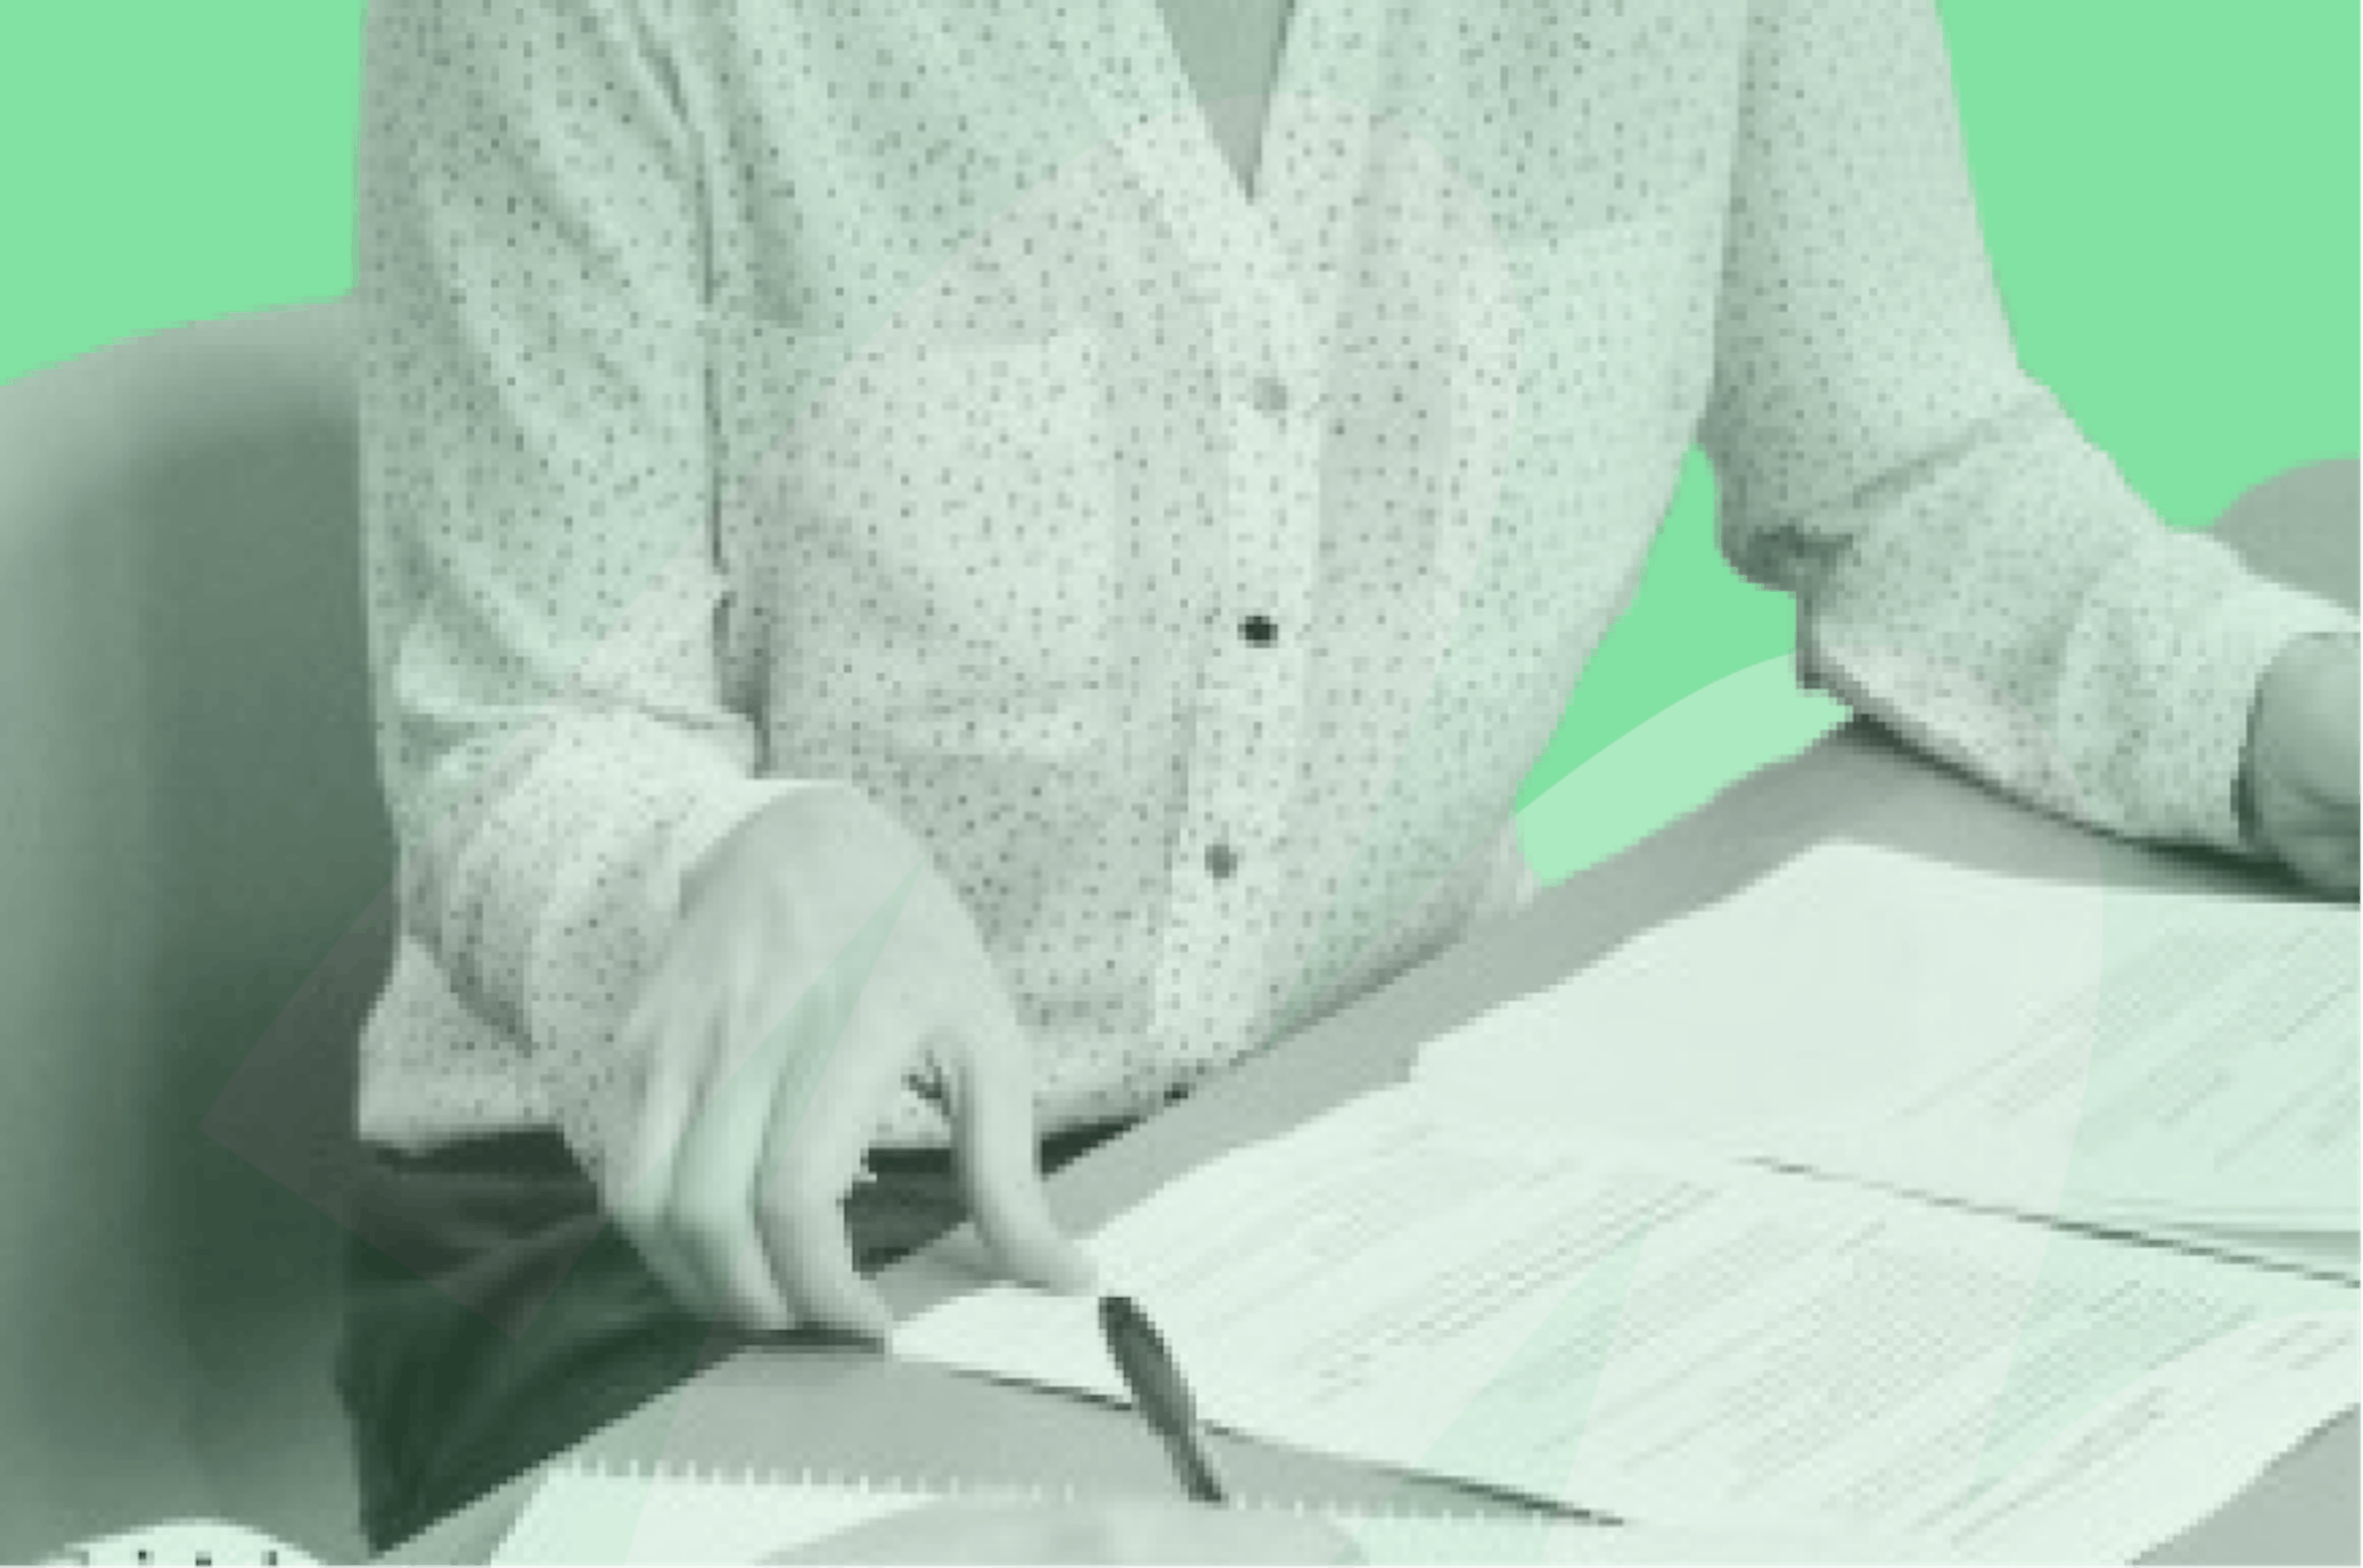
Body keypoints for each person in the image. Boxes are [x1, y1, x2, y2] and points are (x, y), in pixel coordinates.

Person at [335, 0, 2362, 1557]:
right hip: (710, 1236)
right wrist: (725, 855)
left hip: (1390, 1152)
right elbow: (524, 727)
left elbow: (1921, 479)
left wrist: (2283, 711)